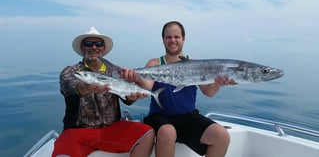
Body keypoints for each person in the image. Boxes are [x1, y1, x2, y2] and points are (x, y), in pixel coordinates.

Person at [124, 21, 235, 157]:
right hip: (160, 117)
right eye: (168, 37)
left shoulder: (195, 64)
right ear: (163, 40)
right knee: (168, 132)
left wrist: (217, 83)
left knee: (222, 136)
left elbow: (208, 92)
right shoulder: (155, 63)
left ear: (183, 39)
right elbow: (147, 87)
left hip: (188, 117)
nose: (173, 40)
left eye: (176, 37)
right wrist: (135, 78)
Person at [52, 27, 155, 157]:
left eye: (98, 44)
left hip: (112, 130)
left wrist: (134, 96)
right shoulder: (71, 72)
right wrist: (87, 86)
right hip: (78, 131)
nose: (94, 47)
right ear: (82, 48)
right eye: (88, 44)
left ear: (104, 48)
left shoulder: (115, 71)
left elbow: (127, 99)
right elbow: (72, 86)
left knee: (147, 133)